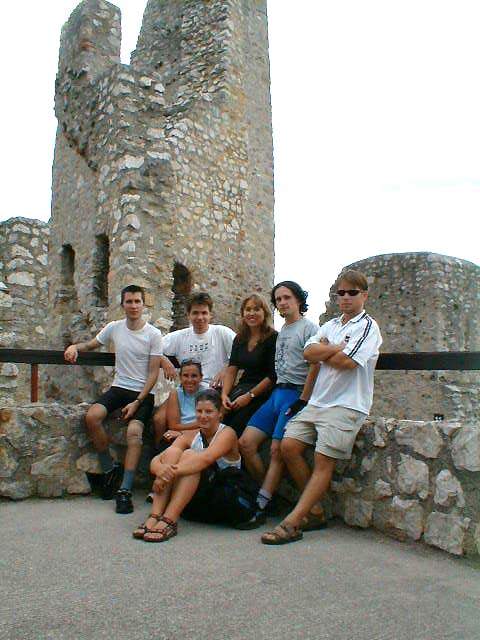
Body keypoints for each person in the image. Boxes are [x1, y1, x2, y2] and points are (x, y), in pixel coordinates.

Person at [261, 270, 382, 544]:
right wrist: (337, 348)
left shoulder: (368, 327)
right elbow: (308, 354)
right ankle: (314, 511)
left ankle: (292, 522)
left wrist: (325, 352)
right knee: (288, 446)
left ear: (364, 295)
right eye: (341, 293)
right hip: (317, 402)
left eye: (352, 292)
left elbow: (348, 363)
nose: (346, 297)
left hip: (346, 405)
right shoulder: (330, 326)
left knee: (322, 460)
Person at [64, 285, 176, 515]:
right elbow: (92, 344)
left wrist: (137, 402)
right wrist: (75, 346)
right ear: (123, 304)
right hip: (119, 388)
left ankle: (124, 490)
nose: (133, 306)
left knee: (134, 434)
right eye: (129, 301)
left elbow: (153, 373)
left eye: (137, 301)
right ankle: (109, 469)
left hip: (142, 393)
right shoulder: (114, 328)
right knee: (92, 417)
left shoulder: (153, 334)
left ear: (143, 304)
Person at [237, 281, 319, 527]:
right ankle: (267, 494)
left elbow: (315, 366)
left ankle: (262, 503)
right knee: (246, 443)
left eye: (287, 297)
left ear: (298, 299)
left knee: (276, 449)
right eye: (278, 299)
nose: (282, 303)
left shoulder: (310, 328)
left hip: (295, 393)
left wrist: (303, 399)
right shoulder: (283, 329)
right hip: (277, 393)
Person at [133, 389, 241, 542]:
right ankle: (155, 515)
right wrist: (161, 471)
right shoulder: (192, 434)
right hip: (195, 497)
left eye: (209, 412)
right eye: (199, 411)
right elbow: (157, 460)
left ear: (219, 414)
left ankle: (170, 519)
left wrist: (166, 474)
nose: (203, 416)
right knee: (172, 453)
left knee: (189, 455)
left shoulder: (227, 434)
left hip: (223, 496)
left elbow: (205, 459)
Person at [152, 292, 235, 445]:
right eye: (195, 313)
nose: (200, 317)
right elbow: (153, 347)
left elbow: (240, 354)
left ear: (210, 314)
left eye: (204, 313)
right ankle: (159, 447)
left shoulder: (222, 332)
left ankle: (192, 444)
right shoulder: (180, 336)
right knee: (159, 418)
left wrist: (225, 368)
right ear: (188, 315)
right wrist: (164, 360)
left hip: (213, 390)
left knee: (207, 419)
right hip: (187, 388)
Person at [221, 294, 277, 437]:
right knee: (220, 417)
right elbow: (232, 368)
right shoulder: (240, 339)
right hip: (243, 387)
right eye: (248, 309)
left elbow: (273, 375)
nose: (252, 313)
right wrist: (224, 395)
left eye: (256, 309)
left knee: (235, 426)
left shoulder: (273, 338)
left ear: (264, 312)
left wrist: (249, 396)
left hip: (262, 392)